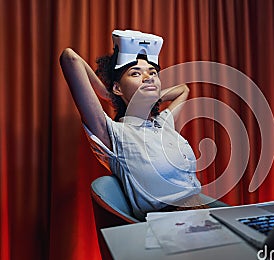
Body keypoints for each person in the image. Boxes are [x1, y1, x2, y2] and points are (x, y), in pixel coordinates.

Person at [60, 30, 207, 220]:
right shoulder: (115, 133)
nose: (148, 77)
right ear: (118, 87)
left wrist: (150, 95)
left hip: (205, 214)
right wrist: (108, 94)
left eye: (153, 73)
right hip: (171, 227)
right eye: (136, 73)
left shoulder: (162, 123)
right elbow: (70, 59)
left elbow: (183, 90)